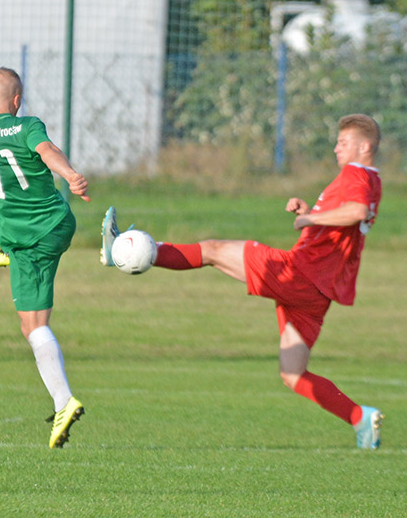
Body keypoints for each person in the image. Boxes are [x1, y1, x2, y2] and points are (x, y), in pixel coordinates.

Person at [102, 114, 384, 449]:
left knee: (213, 251)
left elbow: (356, 211)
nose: (336, 148)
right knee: (293, 374)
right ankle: (359, 417)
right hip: (317, 291)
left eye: (344, 142)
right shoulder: (370, 179)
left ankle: (127, 251)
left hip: (299, 274)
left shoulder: (356, 174)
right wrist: (309, 214)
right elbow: (345, 224)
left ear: (365, 147)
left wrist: (311, 218)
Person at [0, 67, 89, 448]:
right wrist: (70, 175)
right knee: (27, 321)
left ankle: (64, 401)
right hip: (56, 223)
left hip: (32, 241)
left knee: (33, 326)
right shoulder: (27, 126)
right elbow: (47, 151)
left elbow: (2, 191)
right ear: (17, 101)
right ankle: (11, 252)